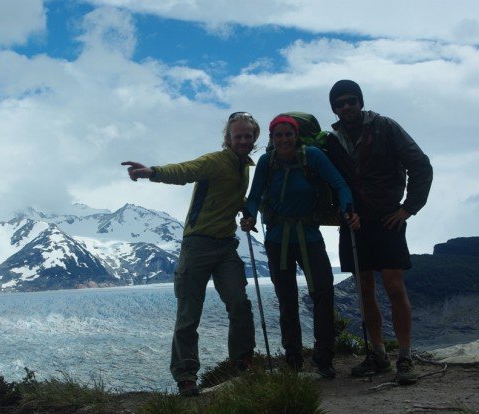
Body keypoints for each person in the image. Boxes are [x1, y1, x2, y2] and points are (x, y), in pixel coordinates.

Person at [121, 112, 258, 397]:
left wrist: (246, 208)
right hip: (197, 245)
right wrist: (152, 173)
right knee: (189, 314)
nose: (243, 140)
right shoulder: (215, 161)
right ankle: (186, 377)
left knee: (239, 304)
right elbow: (185, 171)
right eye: (238, 136)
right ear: (228, 138)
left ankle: (242, 364)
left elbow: (228, 195)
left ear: (254, 138)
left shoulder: (244, 166)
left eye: (248, 135)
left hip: (225, 246)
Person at [325, 80, 433, 385]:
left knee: (394, 286)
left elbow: (421, 165)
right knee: (365, 290)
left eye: (351, 101)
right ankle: (378, 354)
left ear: (360, 101)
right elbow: (330, 180)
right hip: (354, 221)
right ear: (334, 107)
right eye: (340, 103)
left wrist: (408, 208)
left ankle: (405, 356)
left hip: (388, 219)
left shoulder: (385, 127)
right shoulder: (332, 140)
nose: (346, 107)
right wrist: (342, 211)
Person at [241, 114, 359, 378]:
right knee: (287, 301)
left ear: (296, 136)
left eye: (288, 134)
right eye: (278, 135)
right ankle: (293, 358)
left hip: (309, 239)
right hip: (277, 241)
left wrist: (347, 205)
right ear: (272, 139)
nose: (284, 139)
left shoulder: (313, 156)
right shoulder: (266, 162)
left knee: (323, 296)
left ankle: (323, 357)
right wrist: (247, 215)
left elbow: (339, 183)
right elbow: (254, 195)